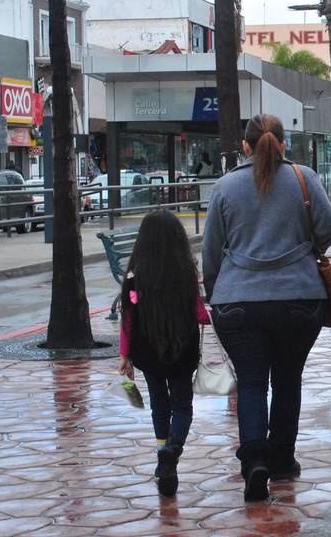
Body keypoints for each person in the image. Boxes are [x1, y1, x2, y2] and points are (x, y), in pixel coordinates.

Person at [202, 114, 331, 502]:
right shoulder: (304, 178)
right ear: (282, 142)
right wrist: (304, 250)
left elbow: (211, 251)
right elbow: (328, 226)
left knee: (251, 381)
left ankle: (254, 462)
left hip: (238, 302)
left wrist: (219, 292)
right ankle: (281, 459)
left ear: (245, 146)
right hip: (299, 298)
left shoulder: (225, 187)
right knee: (288, 378)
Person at [116, 210, 210, 497]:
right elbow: (199, 313)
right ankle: (174, 448)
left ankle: (162, 455)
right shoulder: (185, 274)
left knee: (159, 404)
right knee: (182, 406)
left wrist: (125, 355)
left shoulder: (134, 278)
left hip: (148, 352)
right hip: (182, 351)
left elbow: (128, 317)